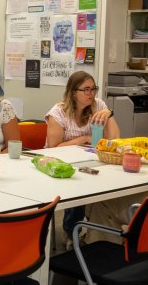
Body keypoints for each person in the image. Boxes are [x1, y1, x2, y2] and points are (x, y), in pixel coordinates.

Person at [46, 71, 119, 242]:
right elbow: (53, 148)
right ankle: (72, 232)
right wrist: (84, 139)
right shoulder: (58, 112)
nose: (90, 94)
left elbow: (114, 140)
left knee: (107, 185)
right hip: (60, 164)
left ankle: (99, 233)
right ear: (73, 92)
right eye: (85, 89)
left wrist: (109, 114)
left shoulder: (98, 105)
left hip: (89, 162)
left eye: (93, 89)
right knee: (79, 188)